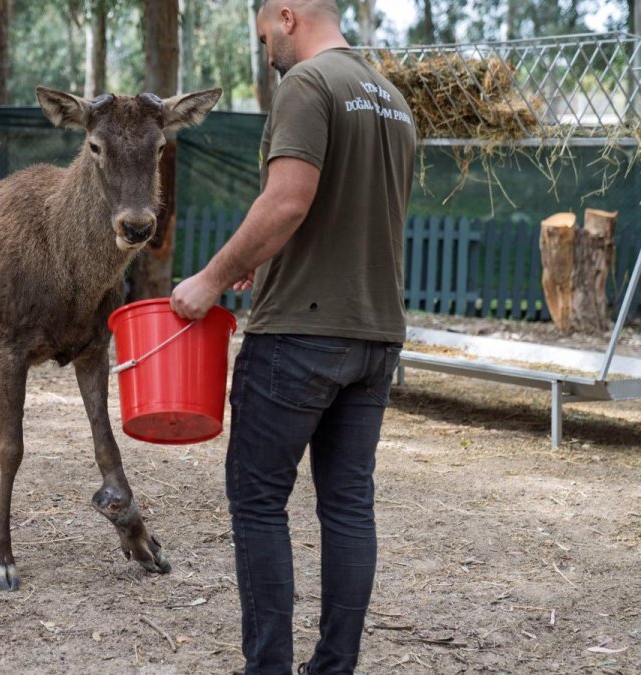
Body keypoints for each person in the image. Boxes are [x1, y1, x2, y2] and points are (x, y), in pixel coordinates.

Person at [169, 1, 416, 673]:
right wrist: (262, 259)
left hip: (301, 337)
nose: (267, 52)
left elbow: (288, 200)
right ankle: (334, 667)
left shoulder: (307, 84)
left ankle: (269, 667)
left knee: (256, 501)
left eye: (263, 38)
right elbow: (349, 212)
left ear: (286, 15)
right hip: (374, 335)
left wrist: (213, 277)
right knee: (347, 507)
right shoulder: (390, 97)